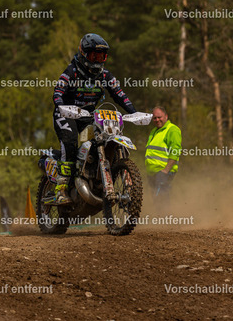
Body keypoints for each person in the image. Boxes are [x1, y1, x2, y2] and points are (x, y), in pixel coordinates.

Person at [50, 33, 136, 205]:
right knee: (70, 142)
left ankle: (96, 176)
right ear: (83, 53)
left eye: (101, 56)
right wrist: (60, 105)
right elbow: (58, 92)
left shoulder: (105, 75)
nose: (97, 60)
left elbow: (119, 94)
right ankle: (61, 189)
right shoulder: (72, 71)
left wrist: (133, 112)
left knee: (102, 139)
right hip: (66, 114)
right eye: (93, 56)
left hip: (88, 115)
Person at [145, 106, 182, 205]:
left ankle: (165, 215)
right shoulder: (154, 131)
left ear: (166, 116)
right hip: (153, 173)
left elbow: (175, 152)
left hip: (163, 172)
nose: (157, 120)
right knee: (156, 201)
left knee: (161, 200)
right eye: (154, 118)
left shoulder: (172, 130)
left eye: (159, 117)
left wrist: (165, 171)